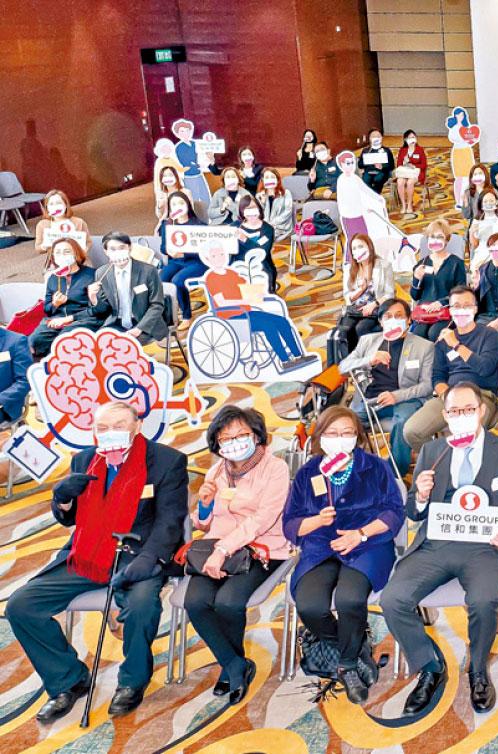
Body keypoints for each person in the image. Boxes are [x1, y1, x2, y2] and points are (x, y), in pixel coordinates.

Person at [8, 401, 187, 722]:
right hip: (88, 554)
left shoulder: (166, 461)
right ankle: (68, 680)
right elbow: (70, 518)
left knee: (142, 606)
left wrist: (149, 559)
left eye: (119, 426)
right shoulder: (84, 460)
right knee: (21, 605)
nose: (110, 433)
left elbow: (169, 522)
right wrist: (62, 499)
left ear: (137, 426)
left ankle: (132, 681)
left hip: (139, 555)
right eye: (102, 428)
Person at [384, 382, 498, 715]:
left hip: (485, 545)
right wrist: (421, 496)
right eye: (454, 411)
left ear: (481, 411)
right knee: (392, 599)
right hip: (437, 543)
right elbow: (413, 512)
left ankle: (478, 669)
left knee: (484, 600)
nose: (461, 416)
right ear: (445, 415)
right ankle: (429, 666)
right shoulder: (432, 452)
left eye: (468, 409)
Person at [284, 406, 405, 704]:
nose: (340, 439)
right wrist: (316, 521)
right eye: (332, 433)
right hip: (320, 546)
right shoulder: (308, 472)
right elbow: (290, 523)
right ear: (320, 437)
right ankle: (354, 647)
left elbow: (394, 511)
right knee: (310, 605)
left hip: (367, 544)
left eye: (347, 433)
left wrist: (361, 533)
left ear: (358, 437)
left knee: (350, 599)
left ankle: (347, 665)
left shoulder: (376, 467)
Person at [184, 406, 289, 705]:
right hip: (217, 548)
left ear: (256, 436)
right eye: (225, 438)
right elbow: (203, 523)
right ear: (217, 442)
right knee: (195, 602)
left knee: (228, 602)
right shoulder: (217, 470)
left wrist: (223, 550)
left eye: (241, 434)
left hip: (261, 548)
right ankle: (233, 664)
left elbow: (262, 520)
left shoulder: (275, 468)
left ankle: (232, 666)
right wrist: (205, 504)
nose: (234, 442)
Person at [402, 287, 498, 448]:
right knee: (412, 431)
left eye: (467, 305)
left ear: (475, 309)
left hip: (481, 396)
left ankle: (466, 460)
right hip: (450, 396)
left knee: (469, 435)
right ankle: (443, 458)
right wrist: (448, 396)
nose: (461, 310)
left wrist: (456, 345)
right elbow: (438, 376)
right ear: (450, 310)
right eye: (456, 306)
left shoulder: (489, 335)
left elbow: (485, 368)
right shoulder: (444, 340)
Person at [340, 299, 433, 474]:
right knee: (344, 424)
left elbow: (427, 386)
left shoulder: (424, 347)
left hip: (404, 399)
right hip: (368, 400)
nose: (393, 320)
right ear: (381, 321)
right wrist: (369, 360)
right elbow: (343, 367)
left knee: (403, 423)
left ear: (408, 320)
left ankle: (395, 472)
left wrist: (396, 396)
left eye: (399, 316)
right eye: (388, 316)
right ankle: (355, 469)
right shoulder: (367, 341)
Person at [198, 240, 319, 373]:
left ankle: (299, 356)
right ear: (207, 259)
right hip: (231, 317)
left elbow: (246, 289)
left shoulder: (231, 273)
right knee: (269, 325)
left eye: (221, 254)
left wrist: (257, 293)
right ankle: (285, 361)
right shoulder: (211, 278)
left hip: (246, 312)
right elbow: (222, 303)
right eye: (214, 256)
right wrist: (243, 300)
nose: (219, 258)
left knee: (282, 321)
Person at [87, 231, 166, 345]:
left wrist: (139, 329)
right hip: (115, 323)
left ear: (130, 248)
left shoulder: (148, 271)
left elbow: (157, 304)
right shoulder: (101, 273)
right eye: (112, 249)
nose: (118, 252)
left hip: (144, 324)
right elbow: (104, 310)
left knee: (124, 346)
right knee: (99, 344)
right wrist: (93, 297)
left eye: (122, 248)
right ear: (106, 252)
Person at [30, 238, 98, 360]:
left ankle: (56, 362)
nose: (62, 256)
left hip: (83, 319)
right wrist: (55, 304)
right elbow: (47, 310)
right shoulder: (53, 278)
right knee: (34, 341)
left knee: (62, 342)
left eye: (67, 252)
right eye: (58, 252)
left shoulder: (92, 275)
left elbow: (100, 308)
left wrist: (69, 318)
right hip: (57, 319)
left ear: (76, 253)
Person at [410, 220, 468, 341]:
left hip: (447, 310)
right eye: (432, 237)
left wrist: (441, 303)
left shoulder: (456, 263)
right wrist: (416, 279)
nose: (435, 240)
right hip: (425, 311)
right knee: (417, 335)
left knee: (434, 334)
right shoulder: (421, 264)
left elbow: (461, 293)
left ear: (446, 240)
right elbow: (415, 296)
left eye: (440, 237)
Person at [336, 233, 394, 353]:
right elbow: (347, 297)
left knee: (361, 328)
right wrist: (361, 289)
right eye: (354, 248)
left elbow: (390, 294)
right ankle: (351, 360)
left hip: (375, 308)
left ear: (369, 247)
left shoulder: (384, 266)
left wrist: (374, 304)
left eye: (361, 246)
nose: (358, 250)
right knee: (344, 330)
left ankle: (368, 358)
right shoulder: (349, 268)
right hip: (355, 309)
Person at [158, 192, 203, 322]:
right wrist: (168, 251)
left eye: (181, 203)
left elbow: (204, 250)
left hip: (195, 262)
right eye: (174, 204)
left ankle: (186, 316)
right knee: (161, 280)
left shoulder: (198, 225)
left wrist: (184, 253)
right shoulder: (168, 225)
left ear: (187, 205)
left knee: (177, 280)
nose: (178, 206)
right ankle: (168, 314)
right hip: (176, 261)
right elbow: (163, 247)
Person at [233, 194, 278, 292]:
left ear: (259, 209)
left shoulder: (267, 229)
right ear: (242, 211)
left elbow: (262, 252)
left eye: (253, 208)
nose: (251, 212)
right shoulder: (235, 226)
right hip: (238, 266)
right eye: (247, 209)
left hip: (261, 267)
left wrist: (245, 239)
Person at [34, 190, 89, 255]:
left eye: (59, 203)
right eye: (51, 204)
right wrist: (44, 246)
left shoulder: (79, 222)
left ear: (65, 205)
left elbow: (88, 242)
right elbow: (38, 248)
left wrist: (83, 251)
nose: (55, 207)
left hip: (75, 257)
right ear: (47, 208)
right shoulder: (42, 225)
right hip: (54, 258)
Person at [393, 130, 428, 215]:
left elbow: (424, 165)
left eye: (413, 137)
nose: (412, 139)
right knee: (399, 182)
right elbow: (399, 164)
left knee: (410, 182)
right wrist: (405, 162)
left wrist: (414, 165)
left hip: (416, 173)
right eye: (410, 138)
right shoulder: (403, 150)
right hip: (404, 172)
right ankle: (403, 205)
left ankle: (409, 205)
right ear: (405, 139)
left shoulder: (420, 150)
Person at [256, 168, 294, 240]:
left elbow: (288, 212)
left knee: (263, 238)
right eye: (267, 177)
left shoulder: (286, 193)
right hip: (265, 227)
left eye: (272, 177)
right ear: (263, 180)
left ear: (277, 179)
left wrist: (272, 223)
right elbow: (259, 215)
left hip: (282, 227)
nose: (270, 180)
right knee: (254, 236)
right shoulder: (259, 196)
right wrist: (263, 203)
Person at [358, 129, 394, 195]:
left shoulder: (386, 150)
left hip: (382, 172)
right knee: (365, 179)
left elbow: (392, 165)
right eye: (373, 136)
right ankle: (372, 196)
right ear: (369, 139)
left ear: (381, 138)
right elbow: (360, 165)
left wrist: (382, 166)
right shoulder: (366, 151)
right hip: (369, 172)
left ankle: (374, 196)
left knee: (378, 178)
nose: (376, 138)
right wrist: (368, 162)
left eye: (378, 136)